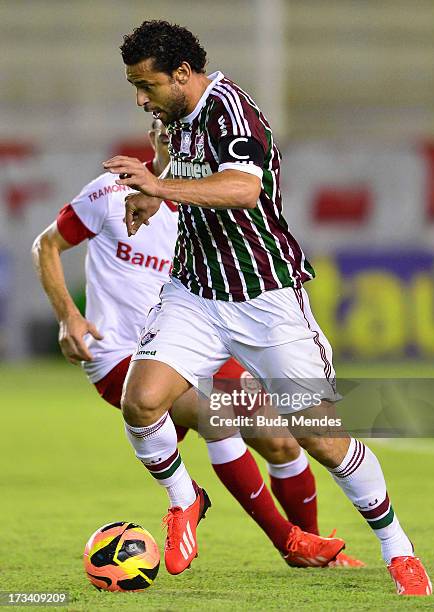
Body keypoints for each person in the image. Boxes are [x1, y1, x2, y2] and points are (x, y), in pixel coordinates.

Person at [102, 20, 431, 595]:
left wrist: (159, 190)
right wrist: (150, 192)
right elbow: (184, 170)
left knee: (321, 440)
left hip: (266, 300)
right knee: (141, 401)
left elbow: (242, 188)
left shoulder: (233, 110)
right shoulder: (173, 119)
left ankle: (396, 547)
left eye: (147, 85)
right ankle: (186, 501)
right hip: (194, 295)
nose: (140, 98)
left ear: (183, 74)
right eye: (134, 86)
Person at [32, 118, 361, 573]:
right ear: (151, 136)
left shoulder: (207, 206)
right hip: (120, 355)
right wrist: (70, 317)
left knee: (283, 443)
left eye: (178, 127)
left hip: (194, 341)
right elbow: (45, 245)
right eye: (160, 124)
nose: (168, 131)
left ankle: (318, 550)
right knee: (217, 413)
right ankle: (287, 541)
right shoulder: (109, 193)